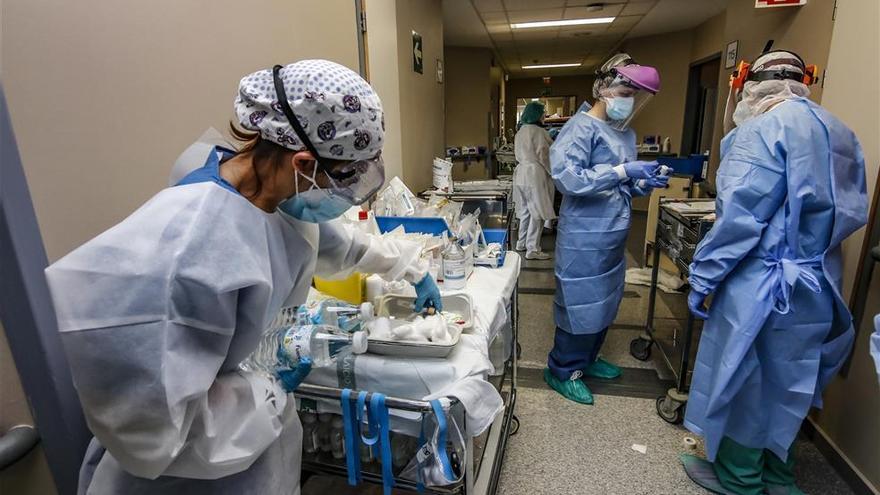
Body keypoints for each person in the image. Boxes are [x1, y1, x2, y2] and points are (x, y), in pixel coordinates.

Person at [44, 59, 443, 494]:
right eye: (343, 177)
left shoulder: (272, 194)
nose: (343, 195)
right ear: (303, 162)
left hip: (256, 449)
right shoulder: (187, 251)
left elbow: (335, 243)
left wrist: (410, 266)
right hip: (187, 476)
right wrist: (269, 391)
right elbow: (155, 434)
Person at [681, 50, 868, 495]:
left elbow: (739, 219)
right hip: (818, 279)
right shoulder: (839, 131)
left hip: (762, 282)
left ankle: (742, 479)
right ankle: (780, 478)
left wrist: (703, 276)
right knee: (791, 379)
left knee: (748, 379)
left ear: (750, 86)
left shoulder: (760, 130)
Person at [543, 53, 667, 404]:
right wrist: (622, 173)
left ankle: (588, 360)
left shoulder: (623, 134)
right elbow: (569, 179)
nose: (630, 102)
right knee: (580, 302)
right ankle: (563, 369)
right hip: (584, 235)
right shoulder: (579, 128)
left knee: (605, 301)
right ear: (605, 91)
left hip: (613, 234)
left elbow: (622, 184)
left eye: (634, 95)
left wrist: (645, 181)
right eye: (626, 93)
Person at [512, 100, 556, 260]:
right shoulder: (538, 132)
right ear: (537, 114)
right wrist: (552, 172)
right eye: (543, 113)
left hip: (521, 172)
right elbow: (543, 154)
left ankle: (521, 243)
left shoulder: (520, 131)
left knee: (525, 211)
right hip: (534, 173)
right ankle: (533, 249)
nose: (544, 116)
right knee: (538, 210)